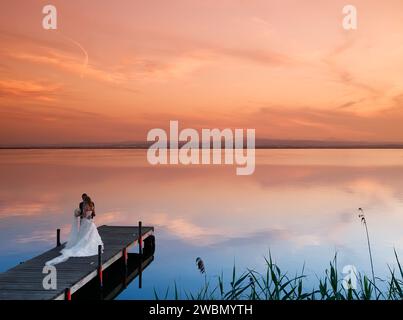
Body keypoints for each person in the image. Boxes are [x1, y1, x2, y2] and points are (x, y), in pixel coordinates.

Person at [45, 194, 104, 266]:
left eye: (83, 198)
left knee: (84, 235)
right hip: (90, 222)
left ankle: (82, 246)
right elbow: (93, 214)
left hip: (85, 221)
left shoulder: (85, 205)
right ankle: (90, 245)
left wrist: (78, 215)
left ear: (85, 199)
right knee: (90, 235)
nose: (83, 199)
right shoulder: (92, 205)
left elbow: (84, 215)